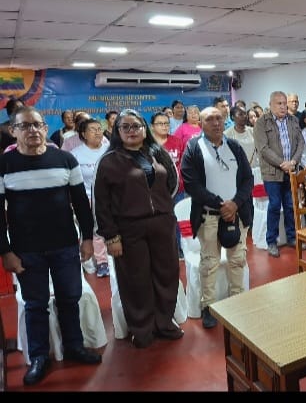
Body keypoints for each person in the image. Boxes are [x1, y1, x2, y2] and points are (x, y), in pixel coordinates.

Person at [0, 106, 102, 386]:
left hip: (65, 245)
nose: (32, 130)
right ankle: (39, 357)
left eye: (37, 124)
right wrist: (5, 251)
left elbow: (81, 202)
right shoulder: (4, 164)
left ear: (46, 129)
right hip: (26, 250)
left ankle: (74, 346)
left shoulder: (65, 160)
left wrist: (87, 239)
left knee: (70, 298)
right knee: (35, 305)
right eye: (25, 126)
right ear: (13, 131)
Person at [93, 108, 182, 349]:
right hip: (128, 228)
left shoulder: (157, 152)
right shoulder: (108, 160)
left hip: (162, 224)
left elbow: (172, 183)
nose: (131, 131)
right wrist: (111, 236)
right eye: (125, 127)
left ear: (145, 129)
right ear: (117, 131)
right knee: (136, 279)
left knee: (166, 275)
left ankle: (164, 323)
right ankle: (142, 329)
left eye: (136, 126)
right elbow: (100, 202)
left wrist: (162, 206)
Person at [181, 106, 254, 329]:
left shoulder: (234, 146)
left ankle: (237, 300)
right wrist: (221, 205)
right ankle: (209, 306)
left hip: (236, 214)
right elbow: (191, 184)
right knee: (210, 263)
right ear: (200, 124)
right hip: (209, 216)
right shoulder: (193, 148)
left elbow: (248, 179)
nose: (216, 123)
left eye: (219, 118)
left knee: (237, 260)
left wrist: (235, 203)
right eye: (210, 119)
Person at [253, 91, 305, 258]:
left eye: (284, 103)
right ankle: (271, 241)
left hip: (291, 170)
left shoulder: (293, 120)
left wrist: (293, 161)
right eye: (279, 103)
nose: (283, 106)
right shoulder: (261, 123)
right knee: (275, 205)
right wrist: (282, 163)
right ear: (270, 105)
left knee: (290, 205)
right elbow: (263, 148)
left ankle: (292, 237)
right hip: (272, 172)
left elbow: (300, 142)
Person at [70, 118, 110, 277]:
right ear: (83, 134)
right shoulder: (75, 154)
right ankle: (102, 262)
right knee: (95, 229)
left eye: (99, 129)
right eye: (93, 129)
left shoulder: (109, 150)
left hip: (109, 197)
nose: (98, 132)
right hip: (86, 197)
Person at [151, 111, 187, 258]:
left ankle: (178, 248)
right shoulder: (148, 145)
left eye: (166, 123)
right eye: (160, 123)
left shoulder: (177, 141)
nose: (164, 126)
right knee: (159, 221)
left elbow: (183, 163)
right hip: (155, 192)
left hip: (177, 189)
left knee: (176, 219)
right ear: (152, 126)